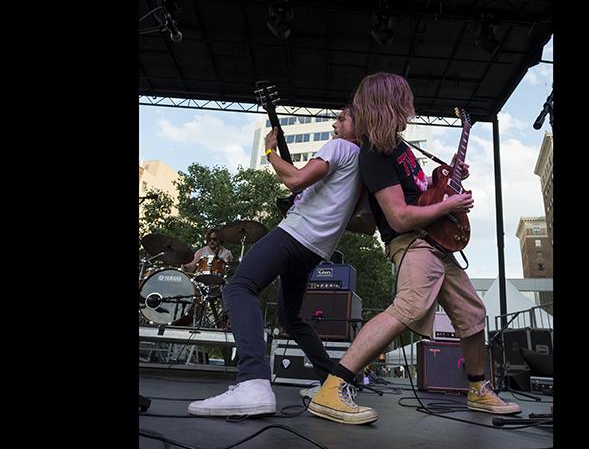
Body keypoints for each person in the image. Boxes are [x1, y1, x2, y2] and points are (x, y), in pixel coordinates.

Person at [308, 72, 522, 425]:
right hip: (412, 243)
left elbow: (421, 196)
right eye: (404, 100)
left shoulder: (402, 148)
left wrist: (448, 179)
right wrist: (448, 207)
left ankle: (477, 390)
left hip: (436, 242)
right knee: (407, 308)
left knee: (473, 314)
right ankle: (333, 387)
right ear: (389, 103)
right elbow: (400, 215)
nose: (410, 107)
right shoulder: (375, 155)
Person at [187, 106, 363, 416]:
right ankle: (331, 384)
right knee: (290, 318)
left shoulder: (339, 147)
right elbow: (364, 223)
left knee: (238, 289)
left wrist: (269, 150)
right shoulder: (363, 165)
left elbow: (294, 179)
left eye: (342, 118)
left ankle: (253, 380)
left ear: (359, 126)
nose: (334, 124)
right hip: (315, 250)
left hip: (295, 234)